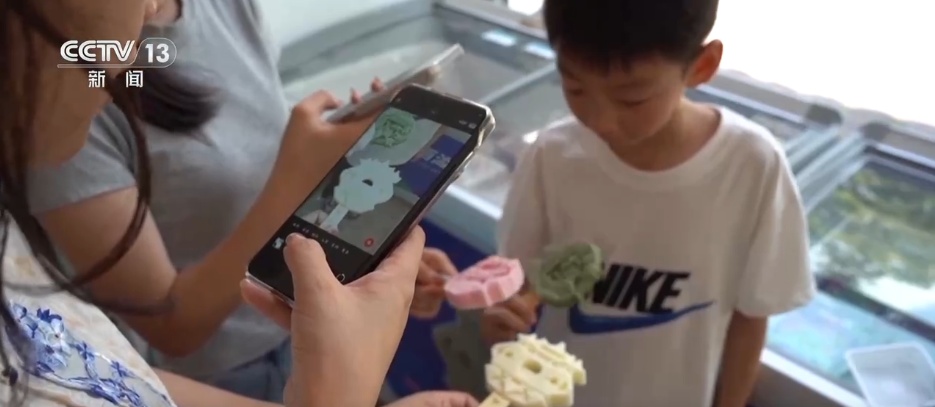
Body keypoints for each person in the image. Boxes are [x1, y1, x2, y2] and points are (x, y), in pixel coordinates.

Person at [1, 0, 475, 406]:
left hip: (296, 334)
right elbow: (167, 326)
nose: (150, 10)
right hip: (228, 367)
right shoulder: (68, 117)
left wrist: (351, 255)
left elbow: (104, 371)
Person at [477, 0, 815, 406]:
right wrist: (502, 320)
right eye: (575, 88)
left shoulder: (751, 165)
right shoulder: (553, 155)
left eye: (632, 99)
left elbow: (751, 315)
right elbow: (518, 282)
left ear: (702, 66)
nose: (600, 120)